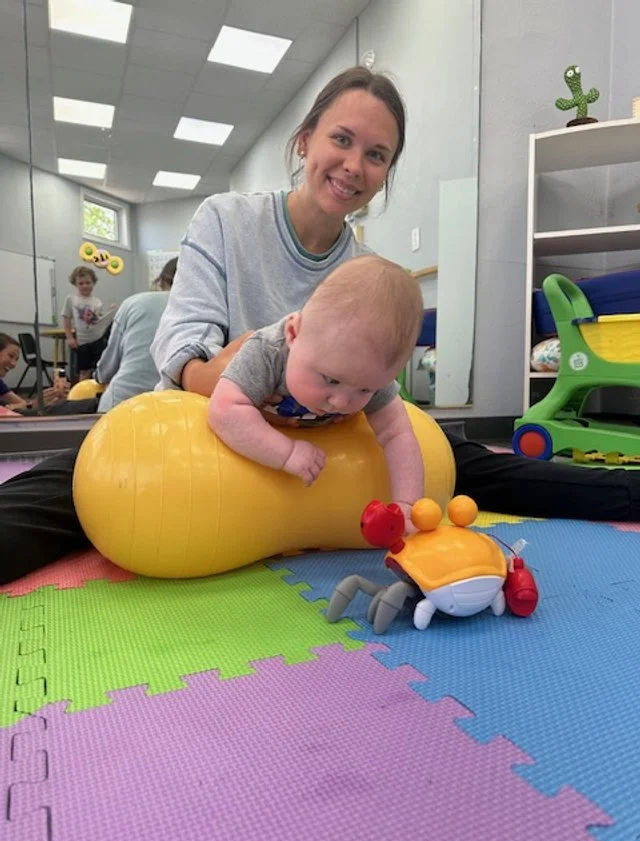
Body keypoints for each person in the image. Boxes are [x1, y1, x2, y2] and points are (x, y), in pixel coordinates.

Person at [1, 65, 640, 587]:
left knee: (473, 464)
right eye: (341, 139)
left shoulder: (368, 272)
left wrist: (359, 419)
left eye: (377, 154)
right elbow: (184, 344)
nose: (354, 165)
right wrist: (240, 385)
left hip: (331, 437)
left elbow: (385, 401)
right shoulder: (227, 219)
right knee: (77, 486)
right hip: (215, 424)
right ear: (306, 139)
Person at [209, 256, 424, 531]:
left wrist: (407, 504)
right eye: (331, 380)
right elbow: (224, 409)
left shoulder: (366, 371)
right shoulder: (266, 353)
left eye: (364, 390)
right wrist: (285, 452)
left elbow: (397, 433)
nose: (342, 402)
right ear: (292, 334)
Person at [94, 257, 177, 413]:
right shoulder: (208, 311)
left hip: (120, 405)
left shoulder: (133, 303)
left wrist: (98, 375)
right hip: (180, 413)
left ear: (161, 282)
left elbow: (106, 370)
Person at [62, 266, 114, 382]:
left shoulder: (97, 302)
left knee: (100, 368)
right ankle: (83, 397)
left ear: (93, 283)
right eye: (81, 283)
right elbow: (66, 318)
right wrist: (69, 337)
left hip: (98, 340)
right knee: (84, 370)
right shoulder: (71, 299)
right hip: (83, 342)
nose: (85, 286)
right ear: (75, 284)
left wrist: (110, 312)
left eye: (88, 283)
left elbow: (98, 320)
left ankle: (98, 395)